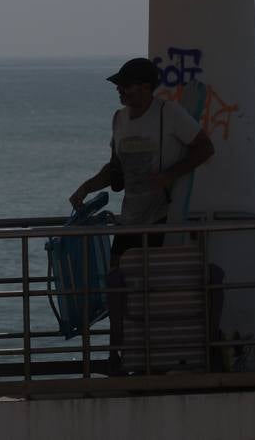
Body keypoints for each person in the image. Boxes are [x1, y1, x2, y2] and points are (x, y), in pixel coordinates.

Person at [68, 57, 214, 372]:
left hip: (162, 215)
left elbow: (204, 147)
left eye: (127, 85)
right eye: (119, 85)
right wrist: (86, 187)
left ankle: (153, 356)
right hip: (129, 217)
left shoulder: (170, 114)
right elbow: (115, 168)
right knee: (117, 285)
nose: (120, 90)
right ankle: (118, 352)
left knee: (150, 286)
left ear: (146, 87)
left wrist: (169, 175)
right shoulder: (119, 119)